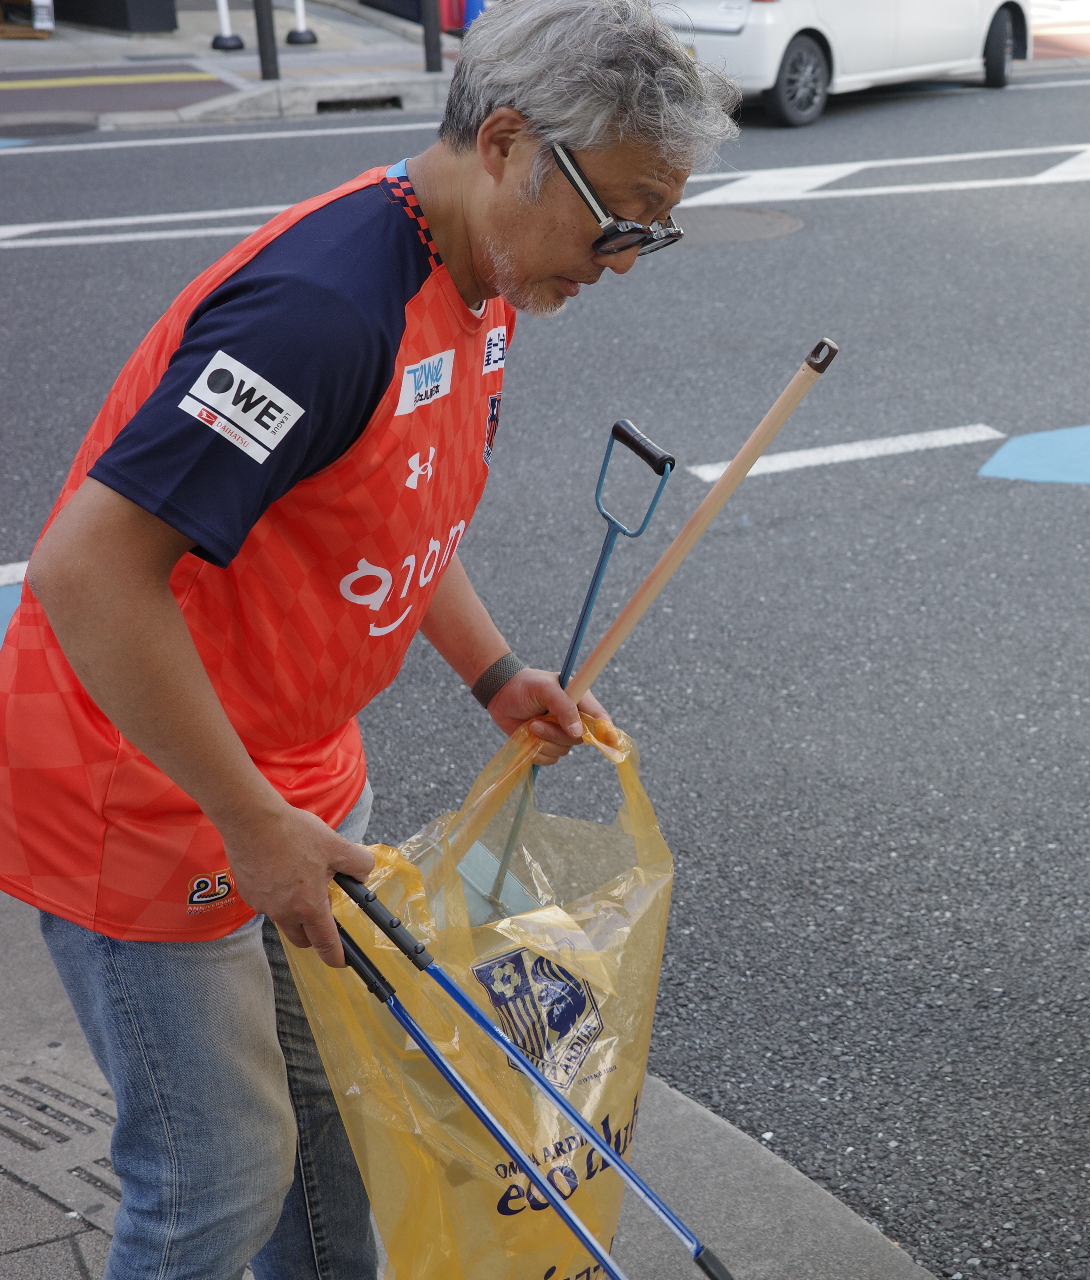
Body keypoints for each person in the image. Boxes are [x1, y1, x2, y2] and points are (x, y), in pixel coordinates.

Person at [0, 1, 738, 1275]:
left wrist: (496, 670)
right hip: (149, 784)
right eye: (615, 216)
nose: (621, 256)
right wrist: (247, 819)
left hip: (293, 775)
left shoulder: (485, 273)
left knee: (339, 1130)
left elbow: (395, 506)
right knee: (212, 1182)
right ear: (507, 143)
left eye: (651, 232)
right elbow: (86, 573)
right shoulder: (320, 311)